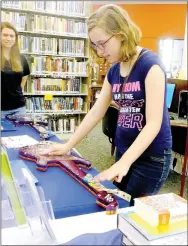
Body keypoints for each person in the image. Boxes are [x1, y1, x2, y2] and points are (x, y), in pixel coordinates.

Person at [41, 4, 172, 205]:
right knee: (115, 204)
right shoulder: (114, 71)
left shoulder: (150, 65)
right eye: (94, 45)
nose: (99, 51)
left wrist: (124, 163)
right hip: (124, 150)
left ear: (121, 34)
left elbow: (154, 123)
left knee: (130, 210)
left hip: (151, 158)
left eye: (102, 43)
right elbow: (96, 112)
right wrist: (68, 145)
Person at [1, 22, 30, 118]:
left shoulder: (21, 58)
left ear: (15, 39)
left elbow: (24, 79)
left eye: (11, 36)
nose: (8, 38)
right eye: (5, 35)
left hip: (18, 108)